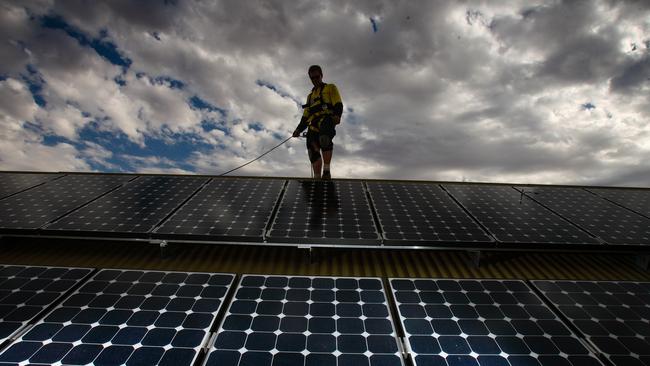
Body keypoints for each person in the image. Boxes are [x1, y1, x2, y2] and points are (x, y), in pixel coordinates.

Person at [292, 65, 343, 179]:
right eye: (312, 78)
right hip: (312, 124)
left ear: (321, 75)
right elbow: (305, 117)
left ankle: (326, 171)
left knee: (324, 139)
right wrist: (298, 130)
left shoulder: (330, 87)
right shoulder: (309, 97)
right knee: (312, 152)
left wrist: (337, 115)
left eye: (317, 77)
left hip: (327, 119)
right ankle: (316, 178)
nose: (315, 80)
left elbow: (338, 103)